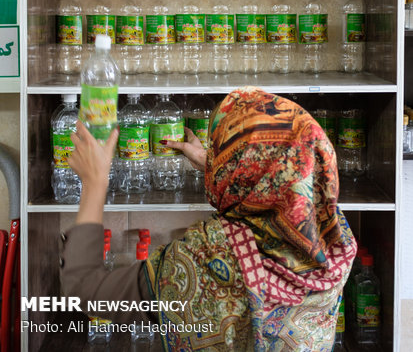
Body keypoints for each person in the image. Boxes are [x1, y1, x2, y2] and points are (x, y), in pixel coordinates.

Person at [60, 86, 357, 351]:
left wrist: (95, 181)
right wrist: (216, 166)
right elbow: (283, 182)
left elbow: (88, 291)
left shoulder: (204, 259)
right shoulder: (334, 239)